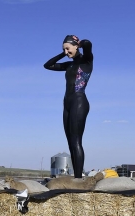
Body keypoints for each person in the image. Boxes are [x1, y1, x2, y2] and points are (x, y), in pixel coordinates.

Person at [44, 35, 93, 179]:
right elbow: (48, 65)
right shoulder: (69, 65)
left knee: (77, 140)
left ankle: (78, 178)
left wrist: (81, 43)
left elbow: (88, 44)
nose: (66, 51)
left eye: (68, 48)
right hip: (67, 103)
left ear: (76, 46)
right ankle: (75, 176)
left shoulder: (86, 61)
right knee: (70, 141)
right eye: (63, 49)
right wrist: (63, 53)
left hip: (79, 100)